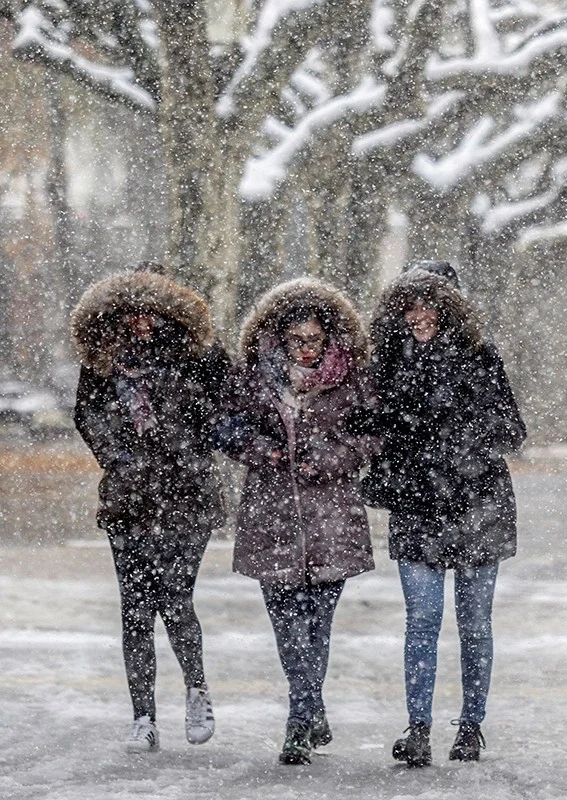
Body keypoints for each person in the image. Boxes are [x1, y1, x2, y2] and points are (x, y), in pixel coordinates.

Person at [363, 268, 526, 767]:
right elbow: (370, 427)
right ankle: (418, 728)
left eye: (427, 305)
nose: (418, 316)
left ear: (449, 308)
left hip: (478, 506)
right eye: (408, 307)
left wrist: (460, 434)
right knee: (423, 620)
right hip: (417, 507)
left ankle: (471, 728)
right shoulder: (388, 361)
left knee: (474, 623)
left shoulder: (480, 356)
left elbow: (511, 431)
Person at [217, 278, 375, 765]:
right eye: (296, 340)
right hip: (272, 517)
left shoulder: (351, 380)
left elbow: (373, 435)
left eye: (314, 340)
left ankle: (301, 716)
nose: (305, 350)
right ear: (278, 338)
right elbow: (226, 427)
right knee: (287, 626)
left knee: (317, 624)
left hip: (331, 518)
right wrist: (264, 451)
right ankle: (305, 711)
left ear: (329, 338)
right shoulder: (253, 379)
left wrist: (330, 457)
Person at [70, 267, 228, 753]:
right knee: (135, 609)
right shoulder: (103, 360)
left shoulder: (200, 356)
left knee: (176, 598)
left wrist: (189, 451)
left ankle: (197, 690)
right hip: (129, 500)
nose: (140, 320)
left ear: (169, 309)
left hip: (188, 497)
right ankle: (143, 716)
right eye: (131, 310)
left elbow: (227, 409)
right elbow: (87, 415)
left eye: (150, 310)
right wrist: (120, 457)